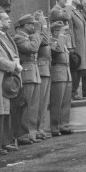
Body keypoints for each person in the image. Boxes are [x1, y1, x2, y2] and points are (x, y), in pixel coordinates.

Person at [0, 13, 23, 155]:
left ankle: (5, 141)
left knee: (5, 110)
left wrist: (15, 63)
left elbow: (10, 53)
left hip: (4, 79)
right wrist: (12, 65)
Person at [13, 14, 43, 143]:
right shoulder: (19, 37)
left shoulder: (29, 37)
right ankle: (24, 134)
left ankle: (32, 132)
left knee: (34, 105)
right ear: (25, 26)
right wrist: (37, 33)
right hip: (27, 74)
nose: (34, 26)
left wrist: (40, 31)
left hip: (34, 73)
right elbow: (32, 48)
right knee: (27, 105)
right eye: (32, 24)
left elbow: (43, 42)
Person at [49, 21, 73, 136]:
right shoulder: (52, 41)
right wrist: (59, 38)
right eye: (63, 31)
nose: (66, 33)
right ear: (55, 32)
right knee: (57, 102)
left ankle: (64, 125)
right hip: (58, 73)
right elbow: (56, 51)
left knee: (66, 102)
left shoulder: (62, 42)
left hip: (66, 72)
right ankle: (55, 127)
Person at [69, 0, 86, 100]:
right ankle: (73, 92)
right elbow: (71, 30)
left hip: (82, 44)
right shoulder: (70, 11)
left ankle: (75, 91)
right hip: (76, 45)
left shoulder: (78, 11)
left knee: (80, 69)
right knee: (75, 69)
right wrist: (72, 46)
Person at [35, 11, 51, 139]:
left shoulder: (41, 33)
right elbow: (45, 41)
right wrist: (43, 25)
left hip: (46, 69)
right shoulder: (38, 33)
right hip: (41, 69)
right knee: (40, 102)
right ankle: (37, 129)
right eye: (42, 21)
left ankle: (41, 128)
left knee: (44, 102)